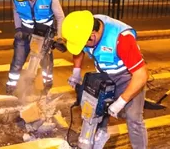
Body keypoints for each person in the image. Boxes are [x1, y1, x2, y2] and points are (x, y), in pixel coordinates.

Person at [62, 10, 148, 149]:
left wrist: (121, 101)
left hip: (128, 78)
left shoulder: (121, 38)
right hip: (104, 75)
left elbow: (141, 75)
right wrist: (76, 72)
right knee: (94, 109)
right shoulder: (84, 26)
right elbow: (78, 49)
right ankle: (100, 135)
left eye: (84, 43)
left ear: (93, 36)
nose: (83, 46)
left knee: (133, 118)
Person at [6, 0, 65, 94]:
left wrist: (59, 37)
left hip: (44, 33)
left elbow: (60, 17)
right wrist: (18, 28)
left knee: (46, 63)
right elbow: (16, 11)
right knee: (17, 61)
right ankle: (10, 87)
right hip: (25, 32)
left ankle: (47, 86)